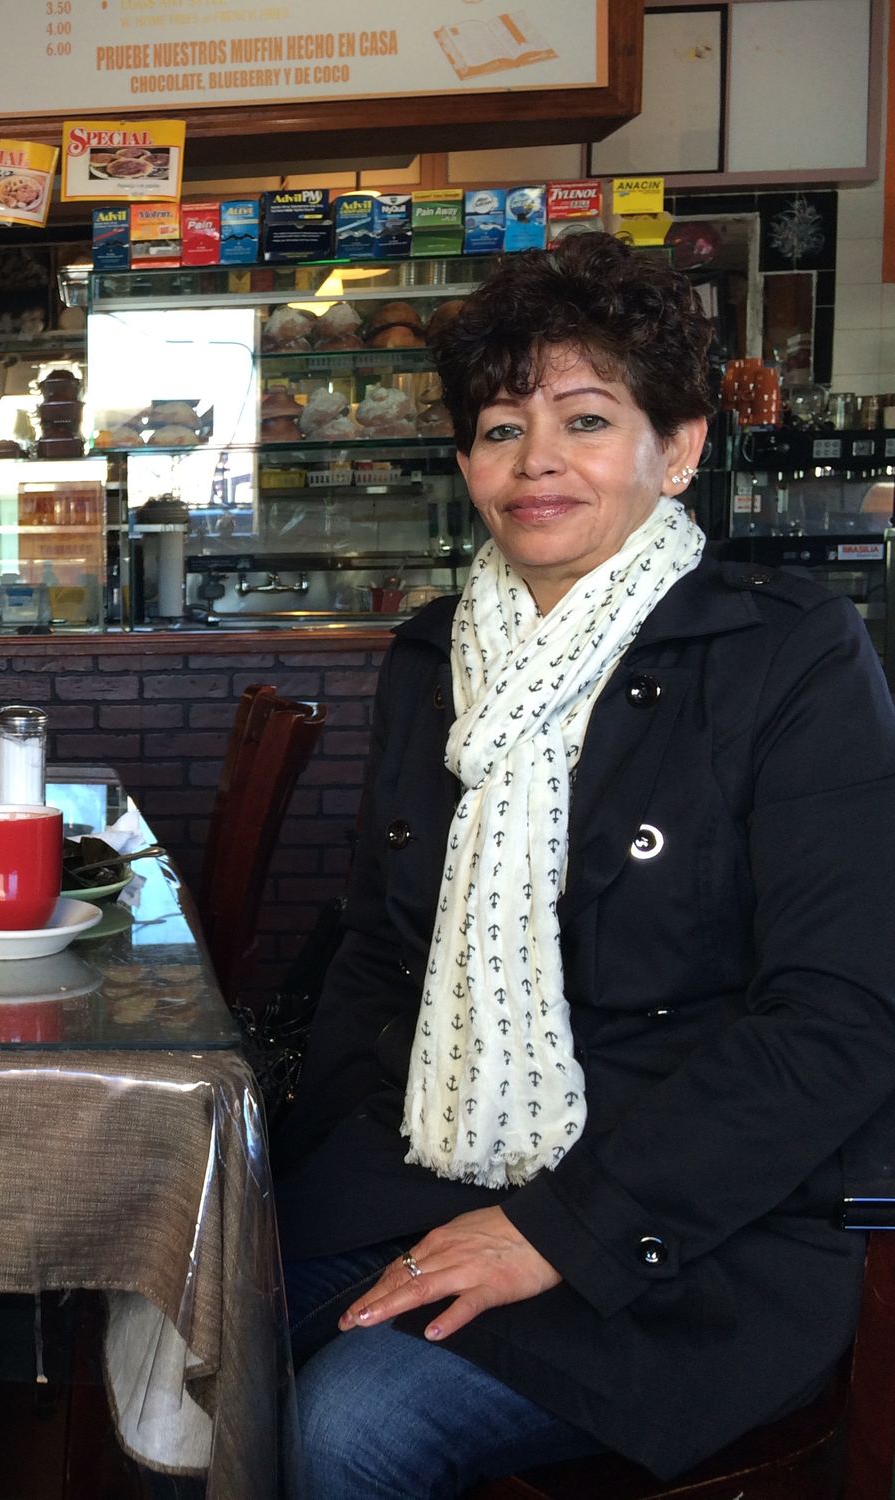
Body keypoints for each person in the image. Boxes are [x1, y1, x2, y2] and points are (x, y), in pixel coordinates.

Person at [272, 233, 895, 1497]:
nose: (533, 460)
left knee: (343, 1428)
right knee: (157, 1317)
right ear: (463, 464)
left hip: (693, 1239)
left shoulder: (792, 657)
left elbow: (841, 1021)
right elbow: (376, 959)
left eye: (584, 419)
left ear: (677, 450)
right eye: (498, 428)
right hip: (414, 1176)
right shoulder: (427, 659)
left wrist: (561, 1229)